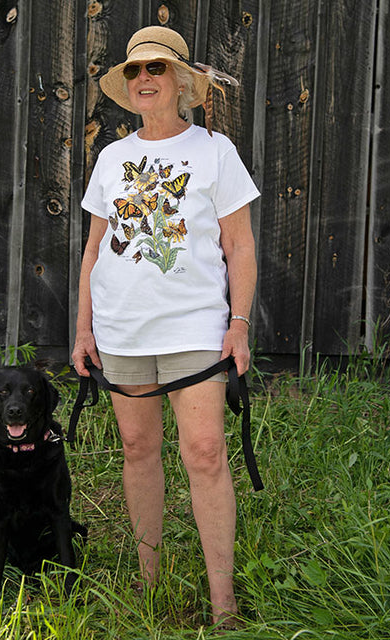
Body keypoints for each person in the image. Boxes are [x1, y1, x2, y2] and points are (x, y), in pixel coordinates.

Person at [71, 25, 260, 626]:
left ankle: (223, 604)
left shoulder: (215, 151)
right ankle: (149, 582)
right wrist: (83, 330)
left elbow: (240, 244)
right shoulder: (112, 157)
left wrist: (240, 323)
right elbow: (94, 250)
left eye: (155, 69)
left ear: (181, 81)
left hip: (196, 330)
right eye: (134, 71)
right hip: (123, 331)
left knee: (205, 451)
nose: (144, 79)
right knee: (137, 447)